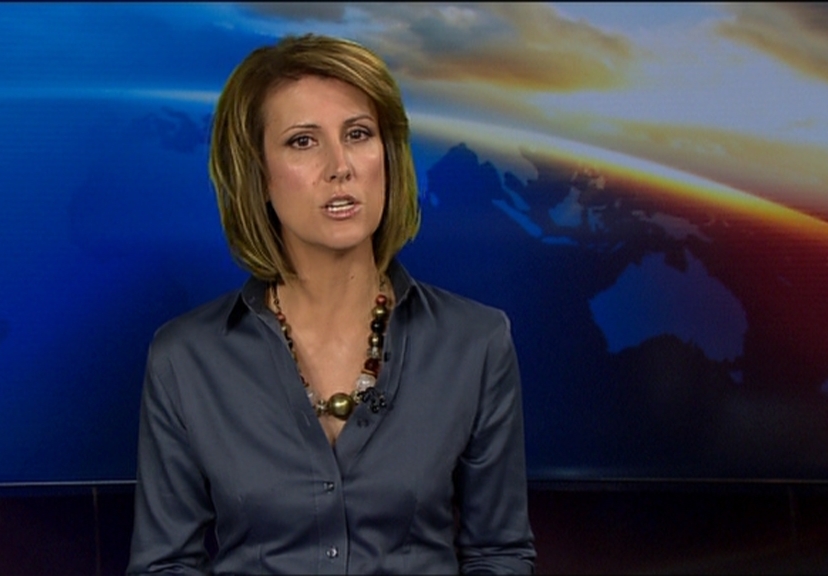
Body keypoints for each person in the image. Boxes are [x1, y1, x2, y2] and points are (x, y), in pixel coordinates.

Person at [127, 33, 536, 575]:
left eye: (358, 134)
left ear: (387, 156)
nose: (340, 166)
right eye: (303, 141)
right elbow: (164, 565)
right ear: (257, 174)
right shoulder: (185, 358)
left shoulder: (475, 343)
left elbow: (498, 554)